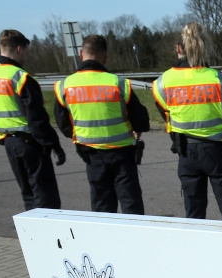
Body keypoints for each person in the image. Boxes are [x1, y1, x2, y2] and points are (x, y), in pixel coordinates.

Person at [152, 22, 222, 222]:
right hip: (217, 151)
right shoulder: (218, 79)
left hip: (186, 151)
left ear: (178, 48)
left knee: (194, 212)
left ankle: (195, 249)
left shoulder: (163, 82)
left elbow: (166, 114)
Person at [53, 34, 150, 214]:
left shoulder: (64, 86)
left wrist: (79, 136)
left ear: (81, 54)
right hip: (122, 153)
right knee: (131, 203)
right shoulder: (118, 84)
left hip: (91, 154)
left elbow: (63, 123)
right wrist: (136, 131)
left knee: (101, 204)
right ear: (105, 58)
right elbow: (141, 120)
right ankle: (134, 240)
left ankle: (103, 240)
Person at [0, 29, 65, 210]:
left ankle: (31, 236)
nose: (27, 55)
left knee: (28, 194)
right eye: (26, 50)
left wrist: (2, 132)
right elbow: (36, 117)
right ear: (19, 49)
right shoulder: (20, 77)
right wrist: (53, 144)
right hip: (30, 142)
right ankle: (47, 236)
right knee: (45, 195)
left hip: (9, 142)